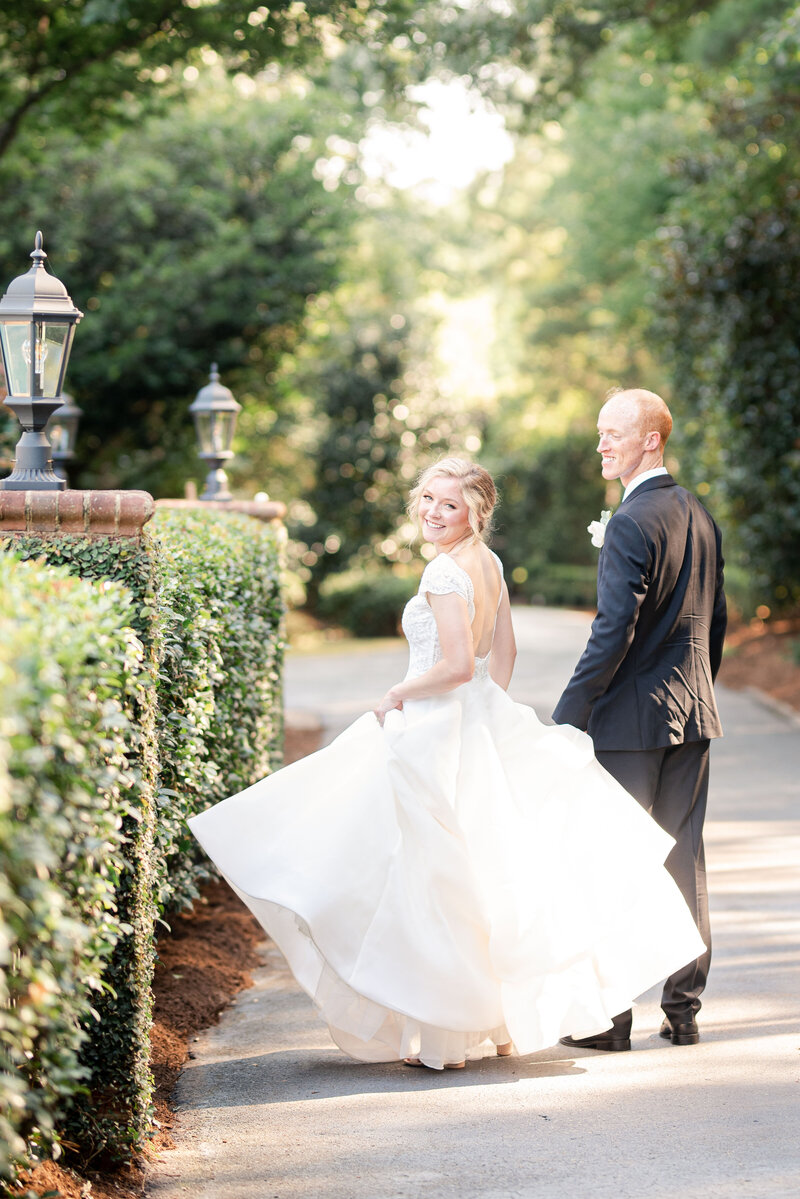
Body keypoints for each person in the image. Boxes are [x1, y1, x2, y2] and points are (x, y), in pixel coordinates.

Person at [189, 456, 705, 1070]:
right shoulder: (488, 564)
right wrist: (489, 710)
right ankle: (503, 1025)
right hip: (477, 719)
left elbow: (456, 665)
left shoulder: (442, 571)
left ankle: (445, 1033)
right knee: (483, 876)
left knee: (428, 880)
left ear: (475, 513)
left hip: (435, 726)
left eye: (449, 505)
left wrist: (399, 694)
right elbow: (500, 653)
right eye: (429, 499)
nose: (434, 512)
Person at [553, 388, 726, 1052]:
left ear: (650, 439)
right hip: (694, 711)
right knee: (684, 858)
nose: (601, 444)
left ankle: (611, 1018)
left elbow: (613, 631)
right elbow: (718, 619)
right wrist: (697, 687)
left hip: (628, 723)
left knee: (612, 861)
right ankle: (683, 1009)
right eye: (599, 432)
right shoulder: (699, 513)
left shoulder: (630, 520)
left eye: (613, 433)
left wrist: (570, 714)